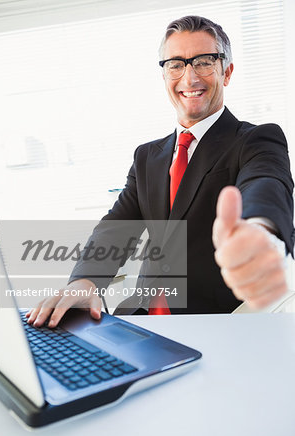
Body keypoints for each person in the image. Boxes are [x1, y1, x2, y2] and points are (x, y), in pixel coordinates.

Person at [26, 15, 294, 328]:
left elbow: (266, 183)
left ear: (227, 72)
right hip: (140, 323)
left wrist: (260, 231)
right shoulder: (147, 157)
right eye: (176, 64)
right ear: (165, 73)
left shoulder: (254, 140)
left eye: (205, 61)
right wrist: (85, 282)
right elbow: (115, 229)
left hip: (215, 326)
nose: (190, 77)